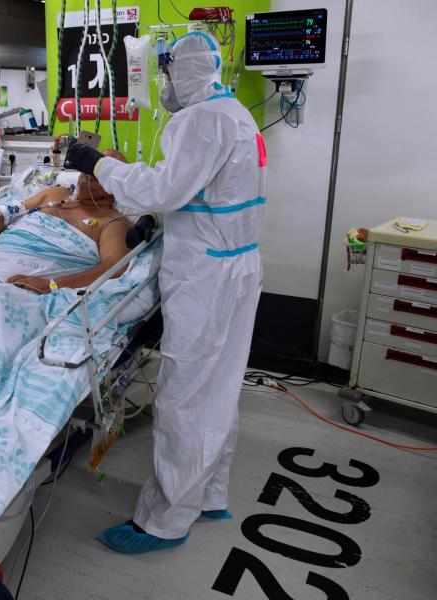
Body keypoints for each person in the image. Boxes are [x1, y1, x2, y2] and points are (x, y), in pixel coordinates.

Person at [63, 31, 268, 554]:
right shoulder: (235, 114)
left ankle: (164, 521)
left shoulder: (199, 120)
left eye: (168, 73)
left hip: (204, 275)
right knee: (219, 387)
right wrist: (154, 218)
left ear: (186, 72)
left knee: (182, 395)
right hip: (237, 265)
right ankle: (209, 494)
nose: (164, 85)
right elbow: (199, 190)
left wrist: (96, 163)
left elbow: (164, 187)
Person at [0, 151, 133, 292]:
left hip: (25, 295)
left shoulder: (112, 222)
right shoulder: (55, 194)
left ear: (116, 186)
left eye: (99, 170)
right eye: (90, 165)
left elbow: (115, 268)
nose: (89, 173)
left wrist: (53, 285)